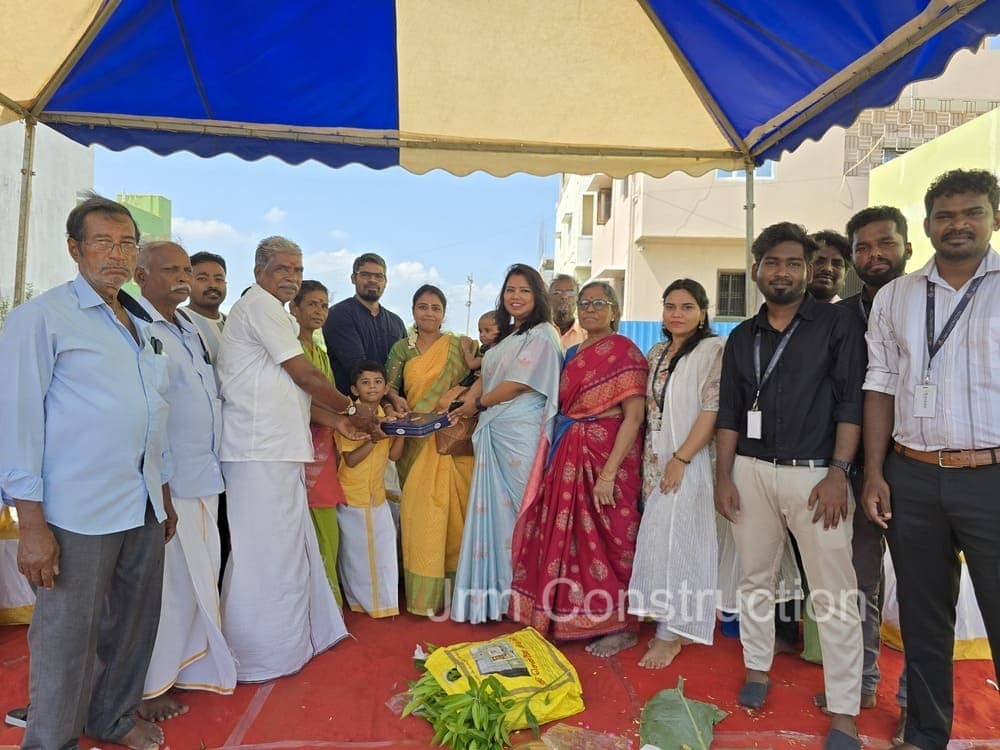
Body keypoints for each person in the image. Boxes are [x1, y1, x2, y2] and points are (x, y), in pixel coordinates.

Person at [0, 194, 175, 750]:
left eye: (127, 244)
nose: (117, 254)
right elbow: (17, 420)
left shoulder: (139, 319)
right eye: (103, 242)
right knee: (66, 637)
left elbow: (153, 412)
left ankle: (113, 718)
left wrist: (163, 493)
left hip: (142, 502)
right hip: (76, 510)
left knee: (132, 627)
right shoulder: (42, 317)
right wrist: (30, 524)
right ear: (74, 248)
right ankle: (51, 740)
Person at [862, 169, 1000, 750]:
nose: (958, 224)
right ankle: (924, 732)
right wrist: (874, 472)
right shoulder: (897, 295)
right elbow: (880, 384)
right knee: (923, 617)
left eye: (972, 212)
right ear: (928, 226)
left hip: (992, 476)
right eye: (945, 216)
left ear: (993, 217)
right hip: (911, 474)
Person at [715, 222, 865, 749]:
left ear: (807, 270)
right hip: (750, 472)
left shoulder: (834, 325)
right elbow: (729, 413)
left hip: (816, 476)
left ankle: (845, 709)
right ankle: (758, 667)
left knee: (834, 593)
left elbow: (852, 402)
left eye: (794, 263)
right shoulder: (740, 336)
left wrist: (838, 474)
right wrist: (723, 477)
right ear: (757, 268)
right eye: (773, 262)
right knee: (754, 579)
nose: (783, 271)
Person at [217, 236, 368, 682]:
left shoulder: (274, 314)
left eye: (298, 271)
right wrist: (351, 408)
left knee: (282, 551)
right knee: (264, 555)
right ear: (260, 269)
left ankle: (285, 646)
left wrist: (338, 422)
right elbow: (304, 374)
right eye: (284, 269)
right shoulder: (261, 305)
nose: (292, 278)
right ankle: (258, 656)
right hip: (257, 449)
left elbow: (292, 391)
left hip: (274, 449)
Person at [812, 207, 913, 739]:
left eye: (885, 244)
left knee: (920, 591)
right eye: (864, 248)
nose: (875, 255)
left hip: (920, 466)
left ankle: (915, 705)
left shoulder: (928, 301)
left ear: (907, 247)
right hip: (851, 468)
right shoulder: (839, 316)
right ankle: (861, 681)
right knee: (857, 584)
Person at [509, 281, 647, 656]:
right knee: (565, 536)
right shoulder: (569, 354)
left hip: (607, 456)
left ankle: (620, 624)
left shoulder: (626, 352)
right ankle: (564, 614)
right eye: (584, 303)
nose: (589, 309)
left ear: (615, 310)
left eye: (599, 303)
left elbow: (634, 417)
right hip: (569, 450)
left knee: (612, 536)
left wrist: (607, 474)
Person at [134, 241, 236, 720]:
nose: (182, 277)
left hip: (205, 476)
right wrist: (164, 491)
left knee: (199, 582)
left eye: (184, 270)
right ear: (141, 275)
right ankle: (148, 687)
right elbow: (150, 417)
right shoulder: (137, 328)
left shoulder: (190, 328)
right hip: (171, 485)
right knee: (168, 587)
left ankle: (186, 667)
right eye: (171, 270)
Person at [449, 264, 563, 624]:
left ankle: (528, 603)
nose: (516, 296)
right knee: (494, 517)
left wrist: (477, 404)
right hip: (495, 428)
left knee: (520, 515)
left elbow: (518, 384)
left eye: (524, 291)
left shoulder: (543, 334)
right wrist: (468, 402)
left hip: (520, 432)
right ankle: (496, 600)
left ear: (537, 297)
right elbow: (487, 376)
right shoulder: (510, 336)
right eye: (511, 290)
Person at [626, 279, 725, 667]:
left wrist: (681, 458)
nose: (677, 314)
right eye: (671, 306)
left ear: (702, 311)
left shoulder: (713, 350)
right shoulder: (656, 352)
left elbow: (712, 410)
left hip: (690, 459)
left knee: (682, 541)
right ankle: (664, 618)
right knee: (658, 541)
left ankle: (673, 633)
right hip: (655, 457)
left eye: (687, 307)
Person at [386, 285, 475, 615]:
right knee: (419, 515)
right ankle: (424, 596)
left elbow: (479, 375)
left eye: (435, 308)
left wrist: (454, 393)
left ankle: (453, 589)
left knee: (451, 515)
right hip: (413, 438)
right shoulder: (401, 349)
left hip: (447, 438)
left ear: (443, 312)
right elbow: (390, 388)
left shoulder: (459, 346)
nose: (429, 313)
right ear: (413, 311)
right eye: (422, 307)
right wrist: (396, 401)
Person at [289, 280, 347, 604]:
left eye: (324, 305)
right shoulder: (289, 350)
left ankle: (328, 605)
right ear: (293, 308)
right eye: (311, 304)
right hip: (297, 447)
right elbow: (302, 402)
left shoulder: (321, 353)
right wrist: (345, 416)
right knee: (300, 530)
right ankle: (309, 606)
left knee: (327, 528)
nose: (319, 311)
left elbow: (328, 400)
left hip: (324, 449)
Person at [336, 361, 404, 617]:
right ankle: (364, 604)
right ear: (354, 389)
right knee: (357, 554)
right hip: (353, 495)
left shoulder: (387, 419)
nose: (372, 387)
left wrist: (398, 433)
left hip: (377, 494)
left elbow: (395, 456)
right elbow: (351, 461)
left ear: (386, 387)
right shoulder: (349, 422)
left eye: (377, 382)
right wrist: (375, 440)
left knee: (384, 547)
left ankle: (384, 603)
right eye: (365, 382)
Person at [323, 252, 407, 400]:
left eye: (378, 276)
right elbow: (358, 369)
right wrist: (388, 402)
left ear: (385, 281)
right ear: (353, 278)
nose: (372, 280)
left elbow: (405, 369)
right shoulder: (338, 314)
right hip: (352, 412)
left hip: (394, 412)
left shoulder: (396, 323)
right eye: (365, 275)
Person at [183, 251, 228, 362]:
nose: (213, 284)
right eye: (202, 278)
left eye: (219, 279)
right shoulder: (177, 321)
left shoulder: (233, 323)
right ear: (187, 282)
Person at [808, 231, 852, 303]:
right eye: (818, 261)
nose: (827, 268)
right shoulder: (784, 311)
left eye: (837, 264)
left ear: (845, 274)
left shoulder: (854, 313)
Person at [458, 310, 499, 383]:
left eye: (487, 331)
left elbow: (472, 364)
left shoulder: (490, 349)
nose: (482, 334)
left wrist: (466, 348)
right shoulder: (486, 347)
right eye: (480, 331)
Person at [549, 274, 587, 350]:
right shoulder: (538, 331)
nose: (564, 296)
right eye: (557, 292)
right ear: (549, 298)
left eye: (570, 293)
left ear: (578, 299)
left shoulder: (587, 335)